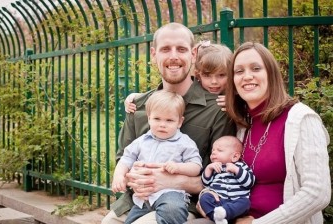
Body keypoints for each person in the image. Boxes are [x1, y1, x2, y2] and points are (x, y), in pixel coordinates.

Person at [102, 22, 236, 224]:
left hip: (186, 205)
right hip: (137, 201)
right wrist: (136, 178)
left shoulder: (217, 109)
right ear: (154, 54)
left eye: (181, 49)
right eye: (166, 49)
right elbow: (123, 158)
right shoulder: (138, 107)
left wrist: (172, 181)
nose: (173, 56)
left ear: (193, 54)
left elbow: (220, 177)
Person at [222, 42, 330, 223]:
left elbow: (317, 192)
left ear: (271, 74)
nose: (247, 76)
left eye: (256, 68)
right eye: (239, 71)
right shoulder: (244, 126)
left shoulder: (301, 119)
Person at [112, 90, 202, 224]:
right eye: (157, 119)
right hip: (144, 198)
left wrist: (178, 167)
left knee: (173, 209)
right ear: (149, 118)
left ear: (179, 122)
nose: (162, 124)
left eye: (169, 120)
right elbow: (126, 159)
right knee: (130, 221)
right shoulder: (142, 141)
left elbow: (196, 166)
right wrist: (119, 176)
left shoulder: (184, 142)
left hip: (171, 194)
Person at [124, 41, 232, 113]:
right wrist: (137, 97)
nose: (214, 82)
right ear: (198, 74)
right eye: (207, 75)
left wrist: (234, 102)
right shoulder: (194, 88)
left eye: (221, 75)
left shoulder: (235, 94)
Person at [197, 136, 255, 224]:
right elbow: (205, 183)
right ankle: (216, 217)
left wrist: (236, 170)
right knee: (205, 197)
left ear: (235, 156)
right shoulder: (214, 167)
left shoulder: (241, 166)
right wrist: (209, 168)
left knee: (245, 202)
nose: (213, 153)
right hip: (218, 201)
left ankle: (224, 214)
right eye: (213, 150)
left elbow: (249, 183)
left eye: (219, 150)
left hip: (236, 202)